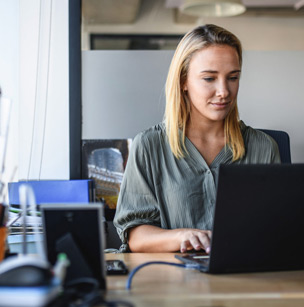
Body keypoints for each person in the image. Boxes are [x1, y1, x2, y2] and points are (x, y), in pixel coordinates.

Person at [113, 24, 280, 253]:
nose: (224, 91)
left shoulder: (264, 147)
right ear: (184, 81)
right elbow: (136, 235)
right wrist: (184, 236)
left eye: (232, 77)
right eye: (209, 78)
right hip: (176, 281)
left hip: (247, 278)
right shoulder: (149, 146)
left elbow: (278, 228)